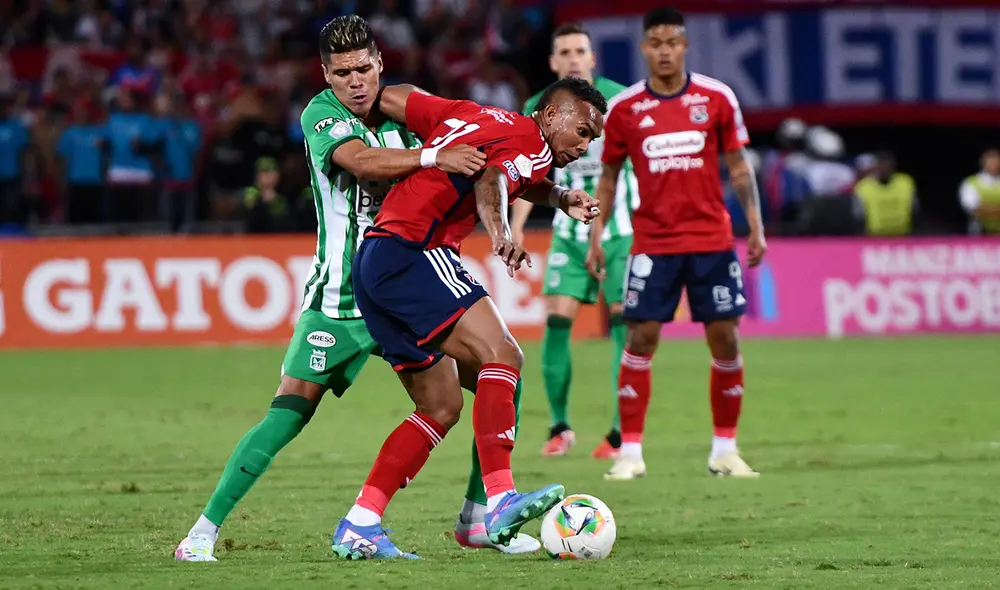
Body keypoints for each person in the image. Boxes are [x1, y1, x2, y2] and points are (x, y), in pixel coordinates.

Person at [174, 15, 497, 562]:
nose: (354, 81)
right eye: (342, 71)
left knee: (491, 377)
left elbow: (474, 143)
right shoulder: (321, 115)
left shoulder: (409, 109)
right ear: (326, 75)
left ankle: (477, 517)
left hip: (404, 290)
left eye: (363, 68)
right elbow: (362, 162)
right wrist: (432, 157)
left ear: (379, 65)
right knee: (289, 412)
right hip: (340, 298)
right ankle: (201, 533)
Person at [334, 78, 606, 559]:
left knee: (440, 407)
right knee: (503, 355)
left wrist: (561, 198)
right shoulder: (531, 141)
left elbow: (396, 97)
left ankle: (361, 521)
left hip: (374, 261)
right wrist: (501, 231)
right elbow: (494, 180)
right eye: (582, 132)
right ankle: (497, 503)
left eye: (592, 139)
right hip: (415, 250)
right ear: (549, 116)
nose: (584, 146)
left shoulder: (470, 113)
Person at [585, 8, 766, 481]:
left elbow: (740, 168)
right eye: (655, 43)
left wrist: (756, 226)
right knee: (640, 337)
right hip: (654, 243)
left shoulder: (717, 98)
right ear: (644, 48)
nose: (664, 51)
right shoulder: (625, 109)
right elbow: (606, 178)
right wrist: (596, 234)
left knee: (724, 336)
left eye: (673, 42)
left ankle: (725, 450)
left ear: (685, 45)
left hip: (711, 239)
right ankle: (631, 452)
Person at [512, 22, 638, 460]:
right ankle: (560, 427)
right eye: (563, 51)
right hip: (569, 229)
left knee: (624, 319)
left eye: (579, 50)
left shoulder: (622, 100)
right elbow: (528, 173)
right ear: (553, 62)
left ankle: (623, 432)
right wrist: (515, 228)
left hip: (621, 228)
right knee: (557, 319)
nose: (572, 58)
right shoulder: (540, 106)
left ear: (592, 58)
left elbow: (636, 164)